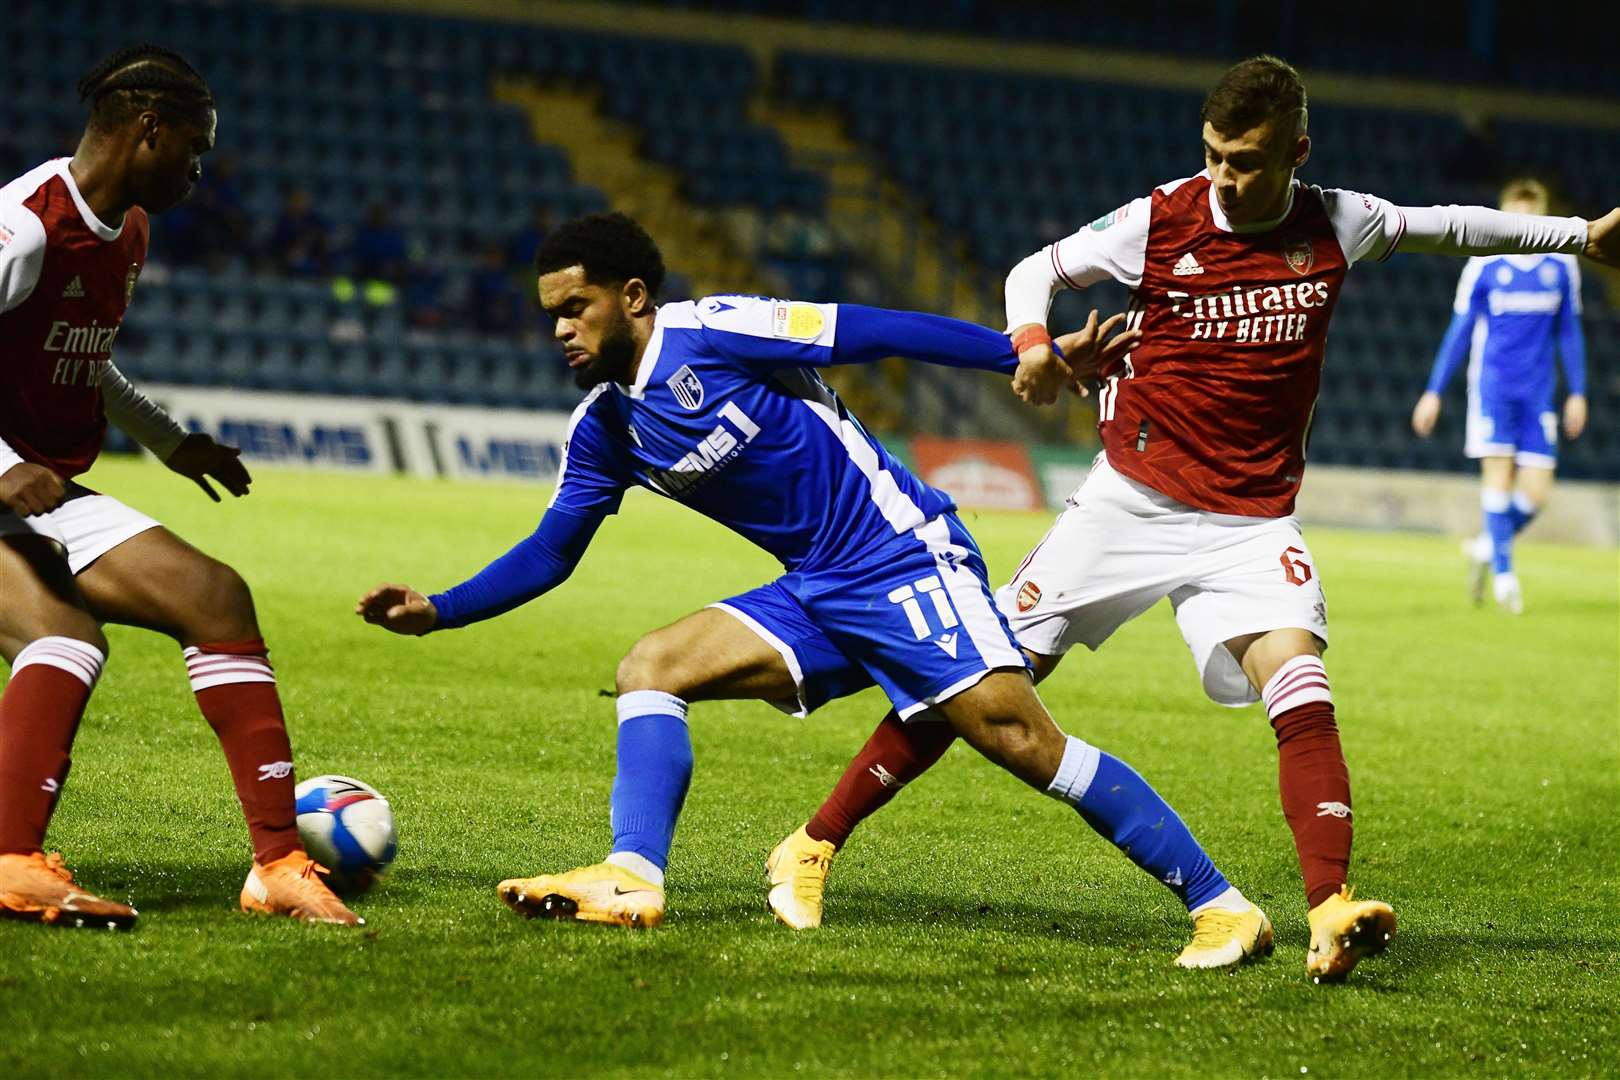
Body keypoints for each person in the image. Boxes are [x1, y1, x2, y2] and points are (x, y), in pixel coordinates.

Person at [769, 55, 1619, 983]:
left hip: (1251, 520)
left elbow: (1453, 226)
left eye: (1246, 161)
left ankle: (1329, 908)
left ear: (1298, 151)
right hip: (1130, 499)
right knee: (981, 682)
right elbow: (1034, 272)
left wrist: (1581, 238)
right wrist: (1031, 346)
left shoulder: (1339, 221)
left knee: (1302, 683)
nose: (1224, 177)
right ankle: (811, 844)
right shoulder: (1161, 217)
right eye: (1213, 155)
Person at [358, 211, 1273, 969]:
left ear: (632, 298)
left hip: (902, 558)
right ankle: (632, 877)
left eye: (575, 307)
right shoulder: (605, 429)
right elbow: (552, 551)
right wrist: (442, 609)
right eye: (550, 314)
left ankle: (1224, 906)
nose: (560, 328)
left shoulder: (714, 330)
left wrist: (1019, 355)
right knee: (653, 667)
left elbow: (865, 329)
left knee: (1021, 742)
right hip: (817, 587)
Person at [0, 45, 358, 929]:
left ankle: (278, 864)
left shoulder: (128, 227)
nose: (201, 172)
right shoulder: (28, 223)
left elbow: (90, 360)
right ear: (146, 129)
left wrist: (170, 441)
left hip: (34, 492)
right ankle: (11, 858)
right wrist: (4, 466)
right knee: (64, 634)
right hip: (7, 481)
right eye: (194, 149)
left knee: (215, 597)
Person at [1411, 178, 1587, 613]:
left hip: (1539, 394)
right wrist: (1434, 391)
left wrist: (1578, 392)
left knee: (1536, 494)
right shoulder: (1484, 265)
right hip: (1492, 389)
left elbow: (1569, 331)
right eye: (1514, 217)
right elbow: (1460, 331)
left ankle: (1489, 545)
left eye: (1530, 217)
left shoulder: (1561, 265)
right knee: (1498, 478)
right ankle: (1506, 578)